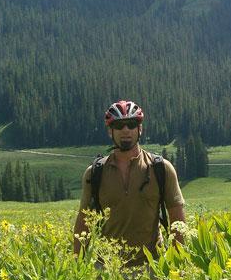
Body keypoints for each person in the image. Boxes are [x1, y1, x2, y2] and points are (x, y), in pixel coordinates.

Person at [72, 100, 186, 266]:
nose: (125, 130)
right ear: (110, 132)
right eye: (119, 126)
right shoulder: (95, 173)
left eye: (131, 124)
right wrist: (77, 267)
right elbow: (83, 222)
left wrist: (177, 264)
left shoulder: (161, 169)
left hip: (151, 266)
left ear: (140, 129)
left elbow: (177, 219)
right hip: (107, 270)